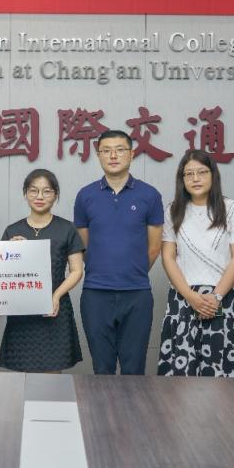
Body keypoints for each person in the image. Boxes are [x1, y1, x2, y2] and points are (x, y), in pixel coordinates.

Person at [73, 129, 164, 375]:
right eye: (106, 150)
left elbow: (155, 247)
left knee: (134, 369)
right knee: (102, 368)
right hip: (95, 294)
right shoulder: (85, 196)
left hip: (137, 294)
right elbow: (84, 245)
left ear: (132, 154)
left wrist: (131, 272)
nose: (113, 156)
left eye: (120, 150)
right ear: (98, 155)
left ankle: (133, 405)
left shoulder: (149, 195)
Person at [158, 149, 234, 377]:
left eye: (202, 172)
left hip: (225, 298)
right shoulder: (173, 210)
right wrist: (190, 296)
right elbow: (168, 257)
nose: (195, 178)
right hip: (184, 298)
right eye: (189, 174)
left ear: (213, 175)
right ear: (182, 179)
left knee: (226, 375)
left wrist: (216, 297)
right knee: (182, 377)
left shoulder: (231, 209)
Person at [0, 169, 85, 373]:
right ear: (25, 194)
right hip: (22, 313)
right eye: (33, 190)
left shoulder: (67, 228)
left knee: (52, 376)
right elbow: (1, 273)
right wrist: (10, 252)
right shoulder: (12, 231)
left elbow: (76, 270)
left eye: (46, 191)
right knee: (22, 377)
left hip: (55, 309)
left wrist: (56, 296)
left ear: (55, 195)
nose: (39, 196)